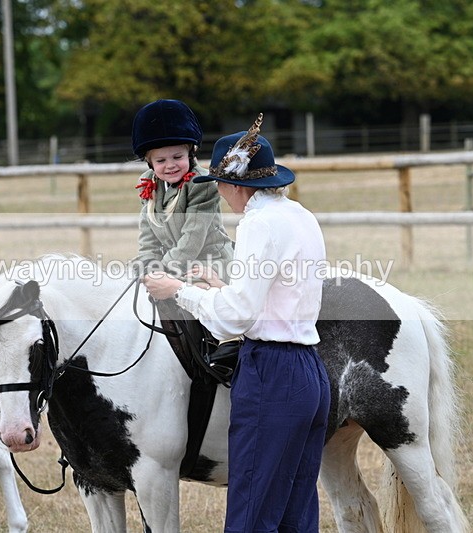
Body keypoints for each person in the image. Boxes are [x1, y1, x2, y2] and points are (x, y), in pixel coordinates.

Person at [143, 114, 331, 532]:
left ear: (234, 185)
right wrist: (220, 285)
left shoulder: (256, 224)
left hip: (272, 373)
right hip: (311, 374)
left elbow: (233, 321)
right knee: (296, 515)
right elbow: (278, 292)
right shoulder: (299, 214)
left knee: (250, 514)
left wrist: (179, 290)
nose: (223, 195)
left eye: (221, 185)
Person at [131, 98, 233, 281]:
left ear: (190, 153)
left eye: (177, 157)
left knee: (177, 290)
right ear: (150, 162)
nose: (170, 166)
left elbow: (193, 237)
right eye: (161, 161)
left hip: (209, 262)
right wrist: (147, 262)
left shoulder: (201, 184)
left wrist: (165, 268)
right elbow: (148, 233)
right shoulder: (147, 182)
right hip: (172, 264)